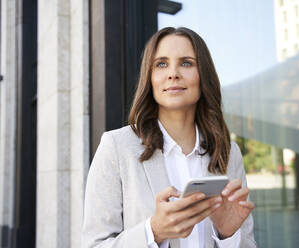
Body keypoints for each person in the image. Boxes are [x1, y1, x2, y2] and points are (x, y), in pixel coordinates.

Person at [82, 27, 257, 248]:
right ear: (150, 77)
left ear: (203, 76)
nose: (173, 73)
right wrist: (153, 232)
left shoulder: (228, 153)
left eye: (186, 63)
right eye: (161, 64)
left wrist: (227, 235)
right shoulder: (116, 147)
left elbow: (249, 243)